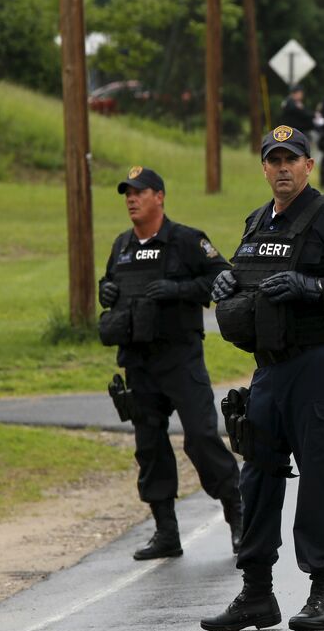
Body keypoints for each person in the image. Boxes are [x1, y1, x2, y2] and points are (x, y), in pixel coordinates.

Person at [200, 126, 324, 631]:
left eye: (292, 159)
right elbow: (248, 280)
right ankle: (256, 595)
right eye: (274, 159)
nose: (283, 167)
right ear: (264, 167)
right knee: (258, 478)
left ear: (308, 166)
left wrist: (315, 287)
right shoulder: (258, 221)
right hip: (269, 369)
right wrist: (225, 282)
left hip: (319, 366)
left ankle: (322, 593)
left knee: (320, 478)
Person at [98, 166, 243, 561]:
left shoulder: (187, 241)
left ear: (159, 196)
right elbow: (109, 287)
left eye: (139, 192)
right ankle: (166, 532)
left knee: (201, 437)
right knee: (149, 445)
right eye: (127, 193)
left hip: (180, 358)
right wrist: (105, 290)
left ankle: (238, 517)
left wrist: (178, 290)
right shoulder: (122, 245)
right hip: (138, 361)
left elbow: (225, 278)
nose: (131, 199)